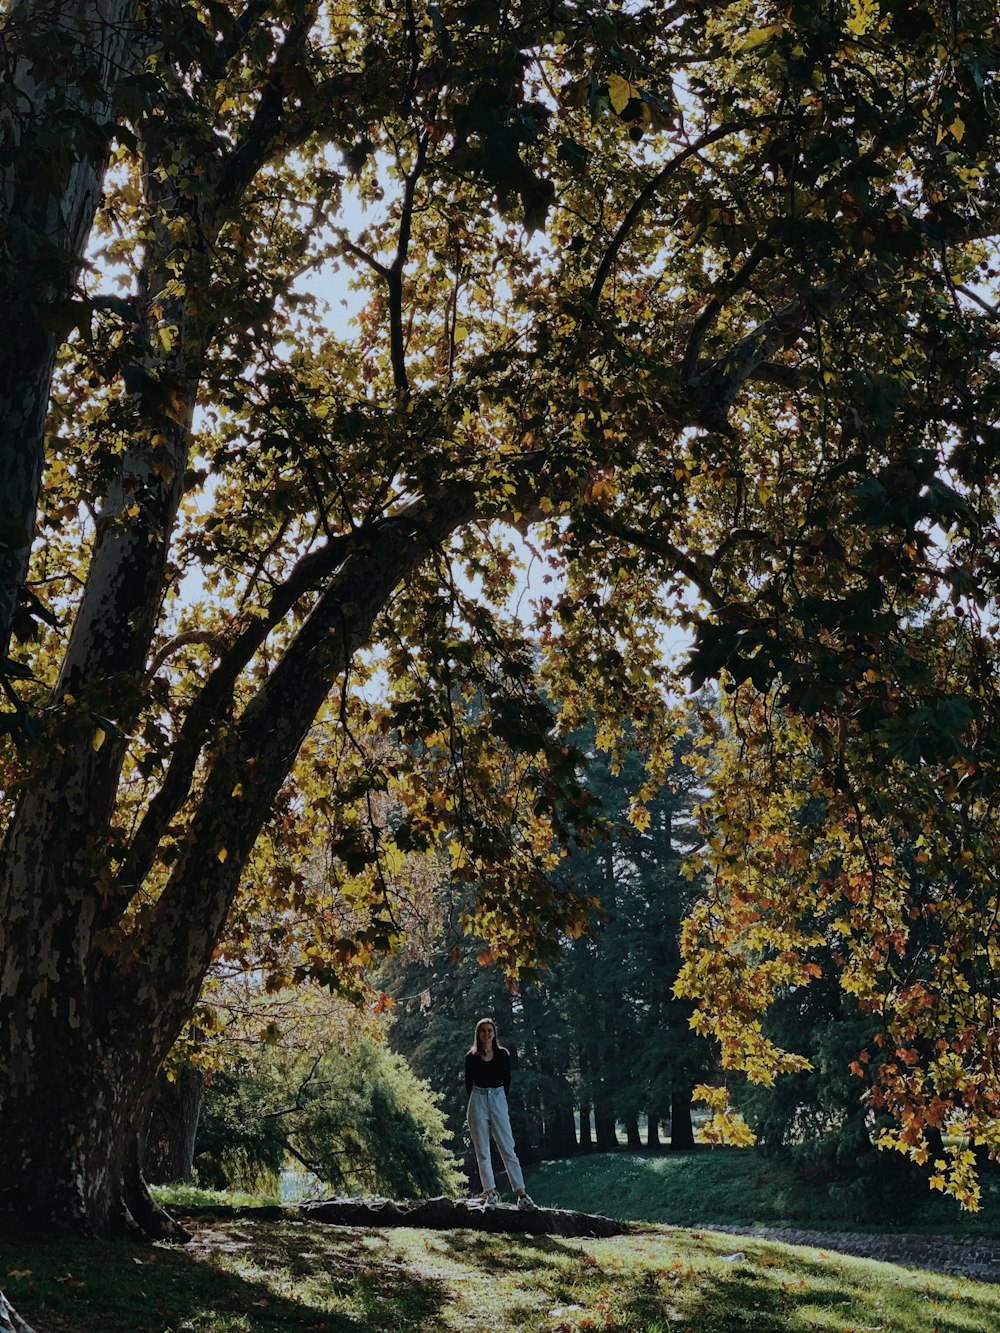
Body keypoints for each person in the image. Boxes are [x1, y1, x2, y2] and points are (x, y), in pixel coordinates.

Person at [465, 1016, 536, 1210]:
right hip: (477, 1098)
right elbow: (468, 1084)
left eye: (490, 1030)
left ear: (494, 1033)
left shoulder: (503, 1054)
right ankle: (490, 1194)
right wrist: (480, 1100)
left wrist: (497, 1100)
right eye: (483, 1030)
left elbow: (507, 1081)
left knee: (507, 1147)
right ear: (478, 1034)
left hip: (497, 1097)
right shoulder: (471, 1057)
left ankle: (521, 1195)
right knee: (483, 1151)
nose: (486, 1034)